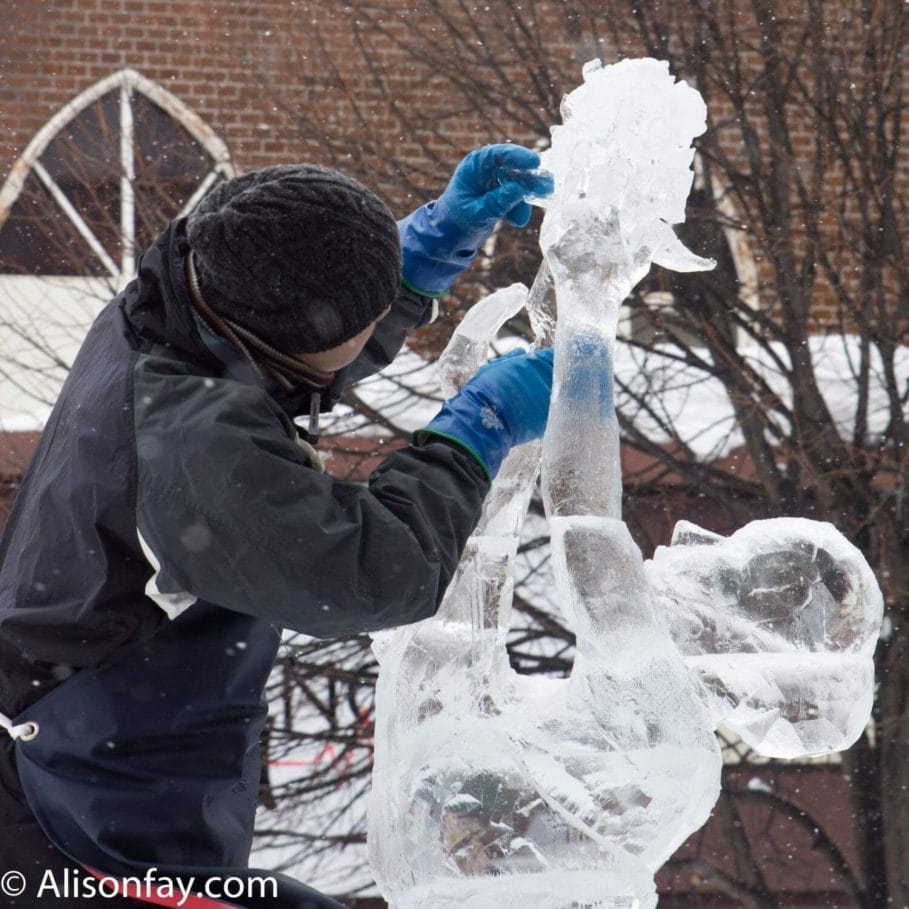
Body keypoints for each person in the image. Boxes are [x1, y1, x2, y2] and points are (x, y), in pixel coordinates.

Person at [0, 145, 554, 908]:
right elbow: (370, 570)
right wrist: (475, 432)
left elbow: (286, 339)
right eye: (363, 316)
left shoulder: (173, 305)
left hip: (73, 730)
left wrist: (424, 248)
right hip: (92, 802)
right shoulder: (195, 448)